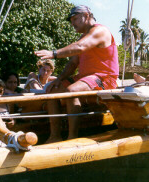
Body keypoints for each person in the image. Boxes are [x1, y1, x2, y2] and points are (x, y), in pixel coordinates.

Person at [34, 5, 119, 142]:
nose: (72, 23)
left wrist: (53, 54)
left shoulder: (100, 31)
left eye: (75, 18)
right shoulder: (83, 37)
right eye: (71, 20)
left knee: (71, 91)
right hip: (86, 78)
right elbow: (73, 63)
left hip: (104, 78)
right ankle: (54, 136)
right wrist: (58, 79)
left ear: (86, 15)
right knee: (52, 89)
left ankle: (72, 137)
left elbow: (80, 47)